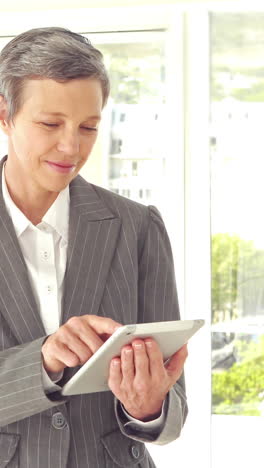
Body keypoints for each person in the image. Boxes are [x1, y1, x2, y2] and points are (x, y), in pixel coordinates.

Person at [0, 27, 188, 468]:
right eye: (50, 124)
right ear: (4, 115)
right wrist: (41, 362)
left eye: (88, 127)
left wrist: (148, 406)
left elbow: (174, 409)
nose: (71, 146)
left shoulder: (138, 226)